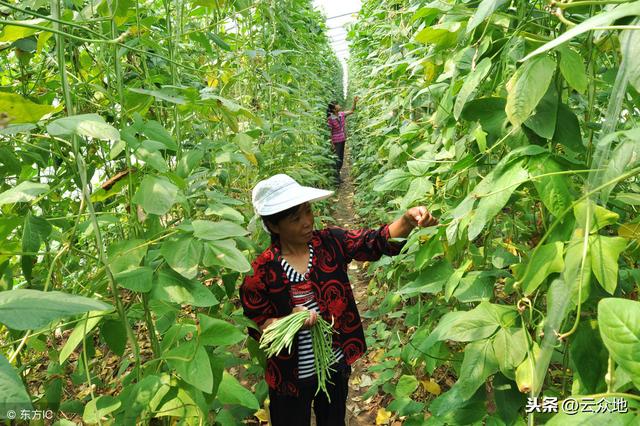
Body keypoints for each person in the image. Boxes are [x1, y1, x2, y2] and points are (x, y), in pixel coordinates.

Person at [239, 174, 438, 426]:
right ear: (274, 226)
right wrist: (290, 321)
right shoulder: (260, 273)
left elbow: (373, 242)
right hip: (289, 376)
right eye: (295, 218)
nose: (307, 222)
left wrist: (408, 221)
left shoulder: (329, 243)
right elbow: (259, 327)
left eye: (308, 212)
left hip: (334, 364)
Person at [327, 96, 358, 182]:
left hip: (342, 139)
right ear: (334, 109)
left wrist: (354, 102)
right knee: (338, 159)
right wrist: (332, 143)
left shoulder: (341, 114)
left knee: (340, 158)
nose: (338, 105)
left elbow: (352, 110)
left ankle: (337, 176)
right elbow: (329, 132)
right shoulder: (330, 119)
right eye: (336, 104)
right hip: (336, 141)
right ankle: (336, 178)